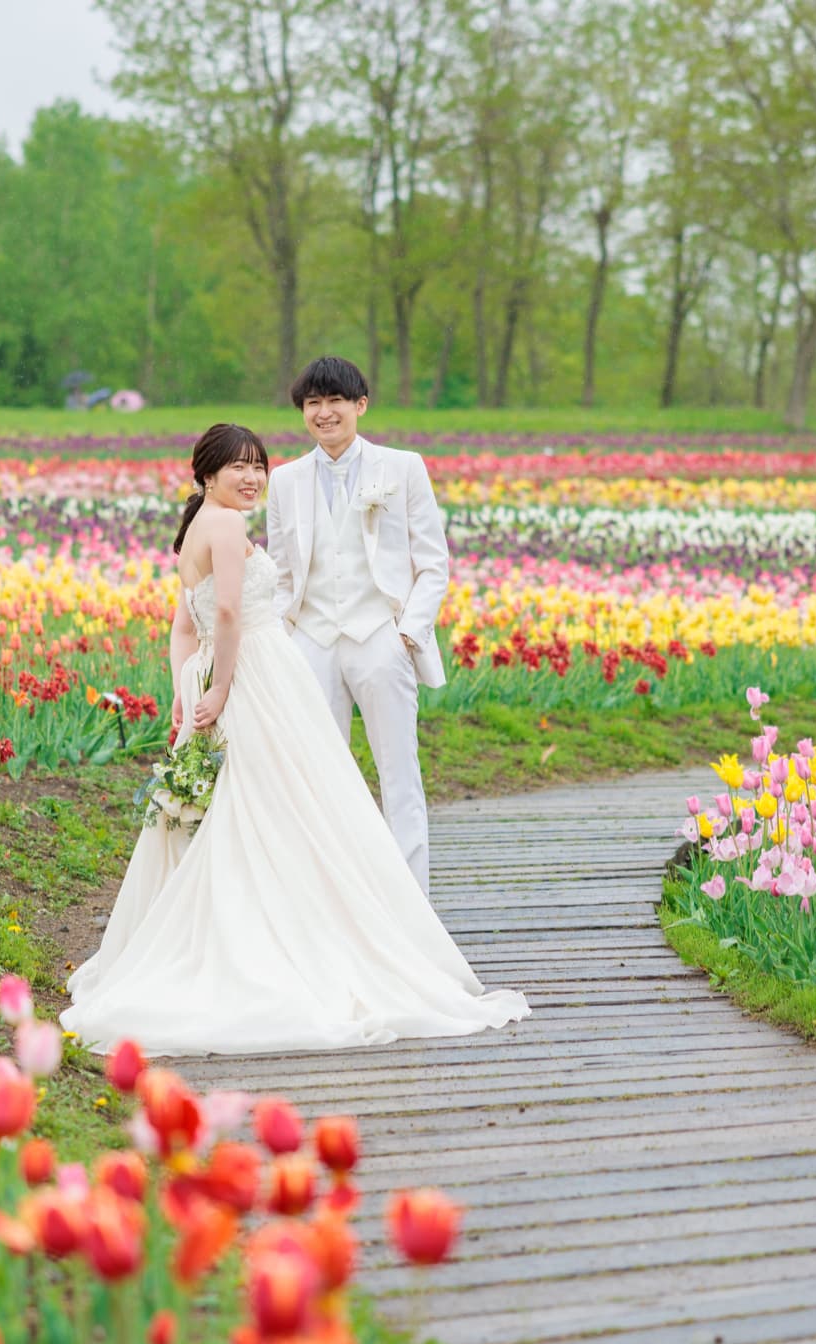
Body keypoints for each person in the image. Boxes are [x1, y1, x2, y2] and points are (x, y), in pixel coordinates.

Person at [58, 423, 527, 1056]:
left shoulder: (196, 527)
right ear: (206, 474)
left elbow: (181, 626)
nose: (252, 478)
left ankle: (250, 927)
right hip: (251, 677)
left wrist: (185, 687)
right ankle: (281, 939)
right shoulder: (223, 526)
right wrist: (220, 689)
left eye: (258, 466)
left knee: (252, 808)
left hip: (225, 675)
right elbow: (222, 614)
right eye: (237, 468)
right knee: (283, 806)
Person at [264, 357, 447, 893]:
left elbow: (432, 563)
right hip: (312, 640)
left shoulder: (403, 467)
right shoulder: (285, 480)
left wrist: (407, 634)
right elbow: (281, 573)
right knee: (317, 781)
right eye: (312, 404)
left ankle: (412, 906)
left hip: (380, 638)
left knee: (400, 776)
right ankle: (331, 904)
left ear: (360, 405)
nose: (324, 413)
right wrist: (281, 642)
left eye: (334, 401)